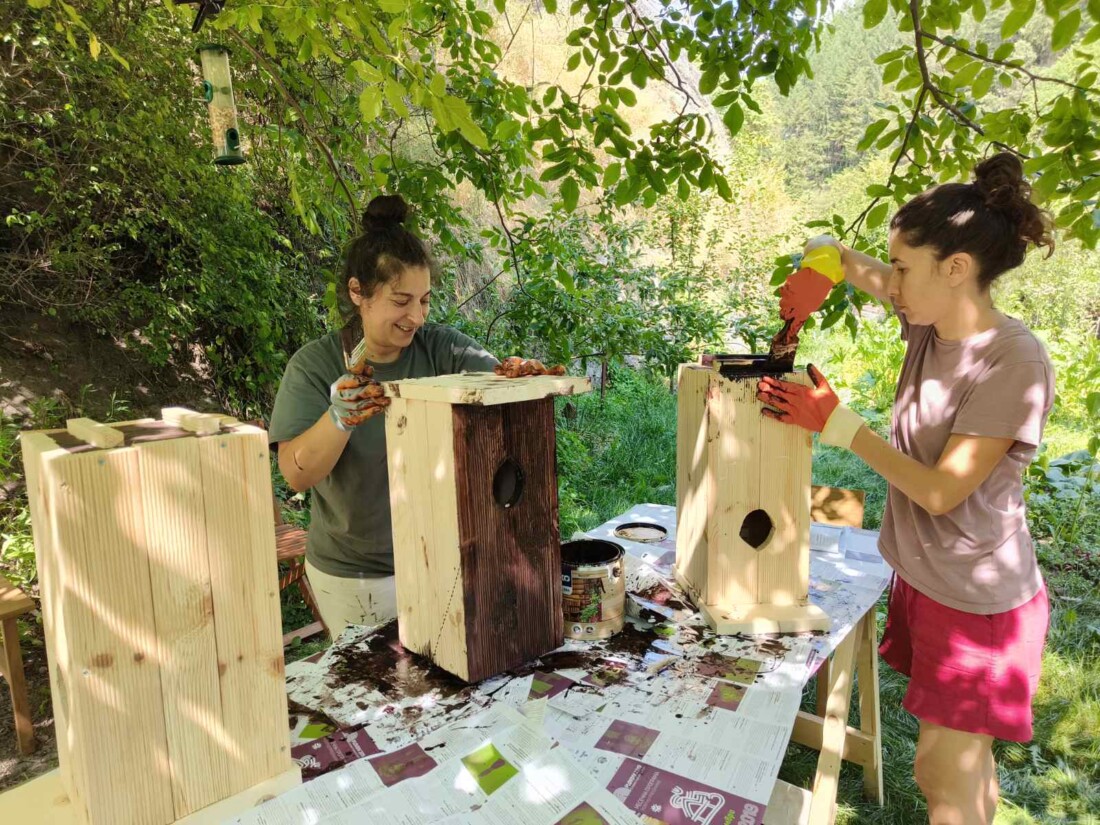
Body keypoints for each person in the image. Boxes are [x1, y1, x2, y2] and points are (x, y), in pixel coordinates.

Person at [757, 152, 1055, 825]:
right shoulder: (928, 320)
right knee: (964, 768)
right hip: (928, 579)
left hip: (978, 601)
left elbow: (942, 491)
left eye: (902, 268)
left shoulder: (1014, 359)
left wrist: (839, 426)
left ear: (955, 269)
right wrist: (813, 276)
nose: (889, 282)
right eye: (889, 265)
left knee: (941, 773)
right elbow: (831, 251)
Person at [270, 194, 550, 639]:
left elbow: (505, 398)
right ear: (357, 292)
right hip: (356, 576)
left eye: (424, 300)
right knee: (372, 695)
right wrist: (339, 418)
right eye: (401, 301)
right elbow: (296, 475)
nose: (416, 316)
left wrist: (520, 378)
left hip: (438, 556)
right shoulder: (315, 365)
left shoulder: (443, 349)